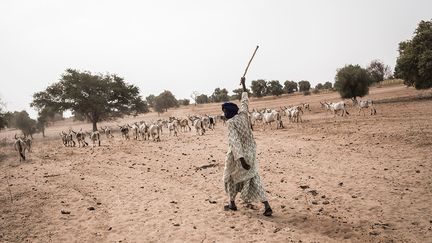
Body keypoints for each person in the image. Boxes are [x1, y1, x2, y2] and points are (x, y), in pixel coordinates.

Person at [221, 77, 273, 217]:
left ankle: (232, 203)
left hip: (238, 156)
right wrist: (244, 85)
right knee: (254, 177)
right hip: (251, 152)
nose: (224, 115)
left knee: (230, 177)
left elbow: (235, 141)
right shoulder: (243, 114)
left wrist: (241, 160)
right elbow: (244, 100)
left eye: (225, 112)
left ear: (229, 113)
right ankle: (266, 205)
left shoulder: (231, 123)